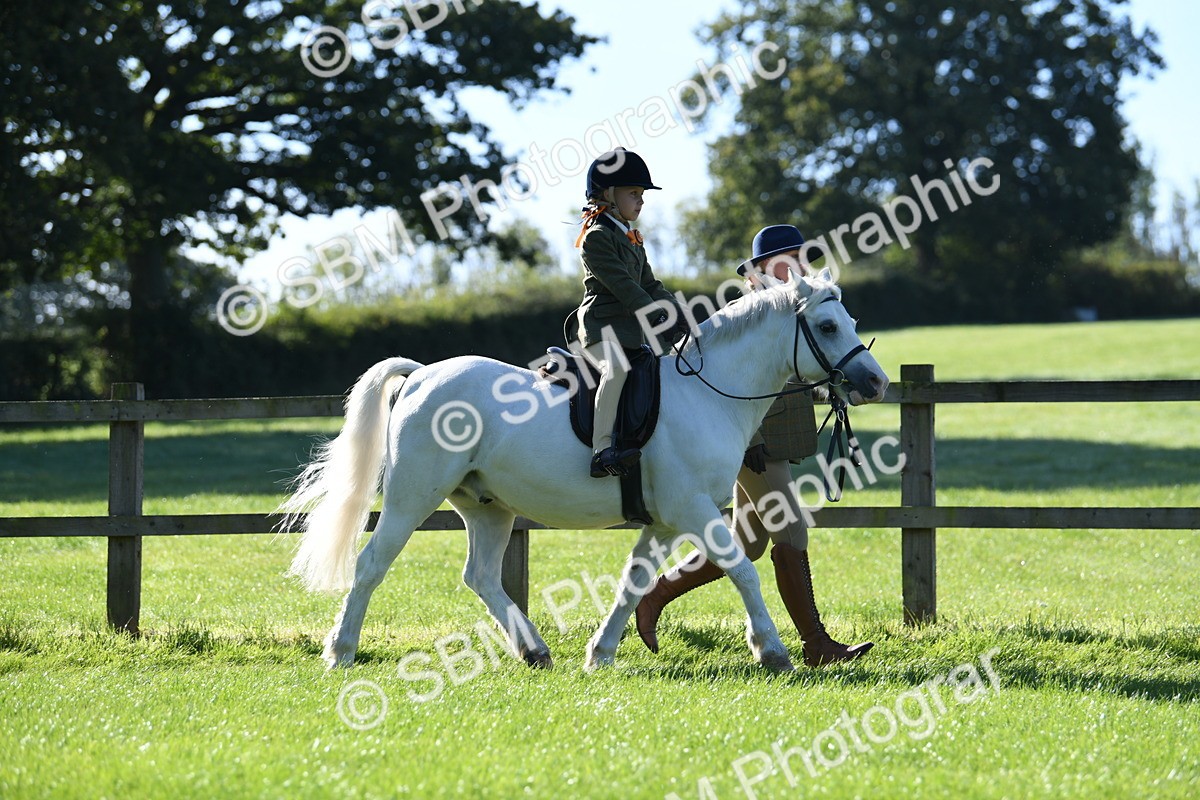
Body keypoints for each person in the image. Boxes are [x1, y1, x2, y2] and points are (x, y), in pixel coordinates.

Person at [634, 224, 874, 667]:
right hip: (753, 446)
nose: (801, 266)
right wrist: (753, 442)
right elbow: (728, 388)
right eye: (790, 258)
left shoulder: (798, 308)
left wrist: (839, 386)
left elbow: (801, 368)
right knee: (791, 529)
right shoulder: (748, 312)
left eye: (804, 257)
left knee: (747, 542)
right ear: (761, 268)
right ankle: (816, 644)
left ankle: (655, 592)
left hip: (775, 441)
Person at [574, 147, 688, 478]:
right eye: (634, 193)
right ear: (608, 195)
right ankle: (602, 449)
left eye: (641, 194)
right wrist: (658, 318)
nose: (641, 201)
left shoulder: (632, 238)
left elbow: (650, 284)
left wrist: (680, 314)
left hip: (630, 333)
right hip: (601, 330)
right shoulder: (595, 238)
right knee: (618, 370)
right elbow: (626, 288)